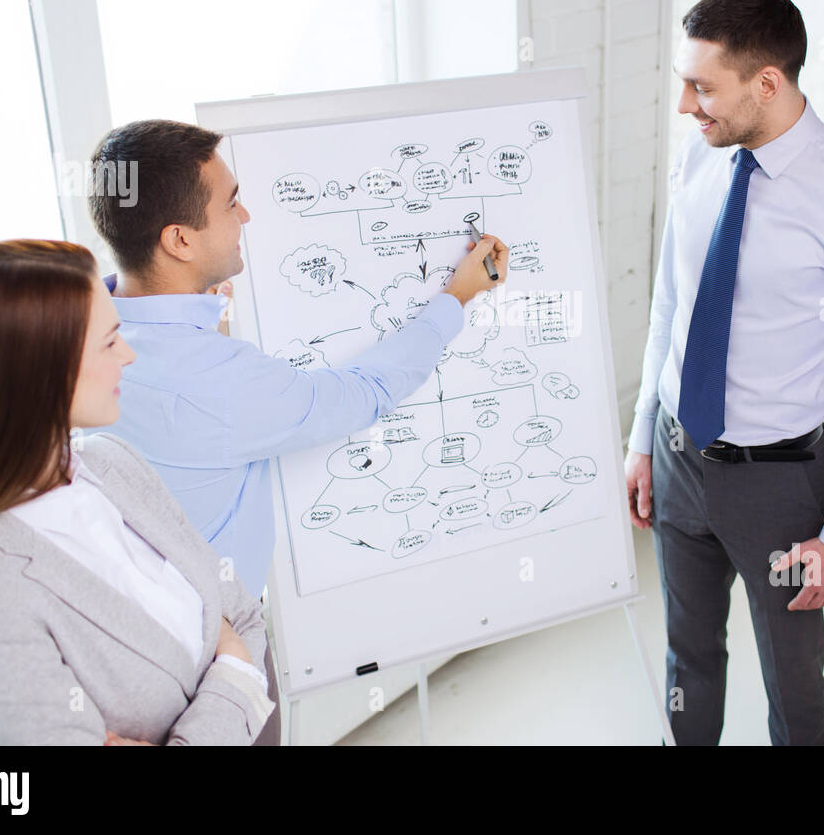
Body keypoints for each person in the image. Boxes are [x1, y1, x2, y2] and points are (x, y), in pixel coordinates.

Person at [86, 120, 508, 742]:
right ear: (178, 239)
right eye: (231, 203)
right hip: (209, 662)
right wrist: (458, 297)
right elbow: (366, 391)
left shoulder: (82, 330)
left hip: (121, 645)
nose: (247, 216)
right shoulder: (220, 382)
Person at [625, 0, 824, 745]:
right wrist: (640, 439)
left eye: (701, 87)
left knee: (793, 682)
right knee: (687, 659)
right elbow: (671, 307)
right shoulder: (699, 158)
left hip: (781, 487)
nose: (687, 106)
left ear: (767, 82)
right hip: (678, 457)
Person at [0, 240, 274, 745]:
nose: (129, 354)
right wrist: (233, 669)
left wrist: (232, 666)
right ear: (38, 374)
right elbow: (237, 643)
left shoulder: (113, 463)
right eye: (110, 339)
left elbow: (246, 618)